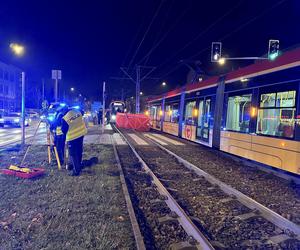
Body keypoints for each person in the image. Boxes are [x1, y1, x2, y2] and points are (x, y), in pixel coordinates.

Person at [62, 107, 87, 176]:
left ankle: (76, 171)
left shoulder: (65, 118)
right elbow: (82, 113)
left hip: (72, 137)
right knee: (79, 151)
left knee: (73, 153)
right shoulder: (77, 111)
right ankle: (78, 165)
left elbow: (63, 130)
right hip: (81, 134)